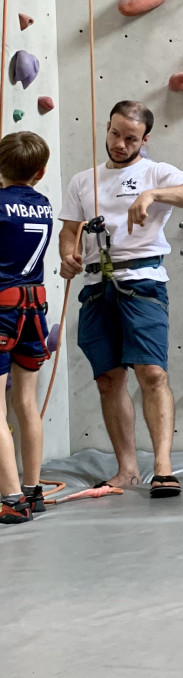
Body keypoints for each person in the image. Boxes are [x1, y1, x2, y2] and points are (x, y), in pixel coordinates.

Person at [58, 101, 183, 497]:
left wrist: (152, 195)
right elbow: (70, 230)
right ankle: (126, 469)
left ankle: (162, 465)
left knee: (152, 373)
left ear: (145, 139)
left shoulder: (155, 172)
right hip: (96, 287)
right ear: (107, 128)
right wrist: (68, 255)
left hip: (141, 282)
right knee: (109, 379)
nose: (120, 144)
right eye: (115, 134)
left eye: (130, 138)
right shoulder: (82, 181)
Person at [0, 132, 54, 525]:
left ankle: (11, 497)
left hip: (2, 310)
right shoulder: (44, 205)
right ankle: (32, 491)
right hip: (34, 311)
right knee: (26, 403)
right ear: (41, 172)